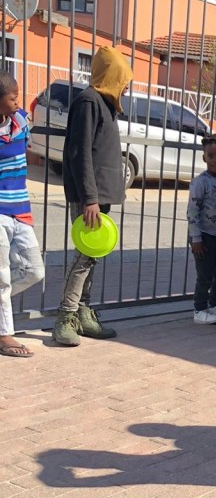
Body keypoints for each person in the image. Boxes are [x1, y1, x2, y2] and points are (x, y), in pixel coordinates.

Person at [53, 45, 133, 346]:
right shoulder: (88, 101)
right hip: (90, 198)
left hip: (102, 196)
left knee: (94, 255)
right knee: (84, 254)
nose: (126, 87)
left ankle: (83, 312)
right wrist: (89, 198)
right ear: (111, 75)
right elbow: (80, 153)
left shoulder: (106, 103)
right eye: (123, 79)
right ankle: (65, 317)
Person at [0, 72, 45, 358]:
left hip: (21, 210)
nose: (18, 101)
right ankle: (4, 335)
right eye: (13, 97)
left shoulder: (21, 123)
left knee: (34, 270)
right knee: (2, 277)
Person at [187, 135, 216, 325]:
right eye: (211, 156)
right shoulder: (200, 182)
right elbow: (192, 211)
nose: (215, 160)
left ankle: (214, 304)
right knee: (204, 276)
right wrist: (196, 238)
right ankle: (199, 309)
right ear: (204, 157)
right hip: (204, 237)